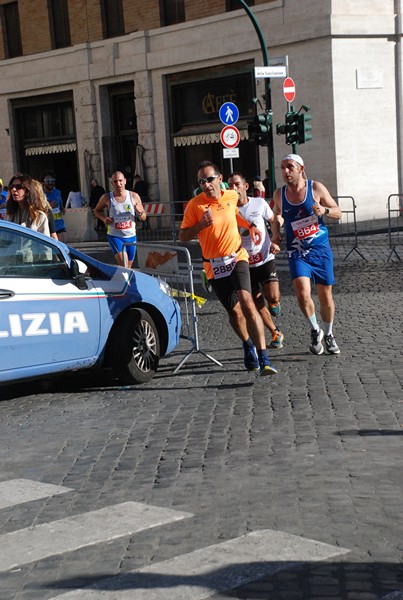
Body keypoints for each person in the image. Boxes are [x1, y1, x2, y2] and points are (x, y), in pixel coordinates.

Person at [179, 160, 277, 376]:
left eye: (210, 179)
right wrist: (199, 226)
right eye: (201, 181)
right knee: (234, 313)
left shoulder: (231, 196)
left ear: (220, 179)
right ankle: (247, 344)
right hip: (214, 266)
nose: (206, 185)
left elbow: (235, 214)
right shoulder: (195, 205)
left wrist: (250, 226)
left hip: (237, 257)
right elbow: (183, 236)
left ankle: (264, 358)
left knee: (247, 301)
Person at [271, 154, 342, 355]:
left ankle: (328, 334)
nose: (286, 172)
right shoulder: (279, 194)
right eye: (283, 168)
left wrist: (325, 211)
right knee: (302, 294)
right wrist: (276, 235)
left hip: (320, 250)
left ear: (301, 168)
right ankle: (315, 330)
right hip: (297, 251)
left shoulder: (315, 188)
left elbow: (338, 211)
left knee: (325, 296)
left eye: (290, 167)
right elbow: (276, 215)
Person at [227, 171, 284, 350]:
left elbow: (274, 219)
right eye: (230, 186)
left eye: (236, 184)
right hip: (244, 263)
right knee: (256, 302)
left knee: (272, 296)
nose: (233, 188)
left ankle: (275, 302)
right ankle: (276, 332)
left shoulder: (259, 203)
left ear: (245, 187)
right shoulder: (228, 209)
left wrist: (275, 238)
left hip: (265, 256)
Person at [94, 170, 147, 268]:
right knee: (124, 264)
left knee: (128, 268)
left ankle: (122, 282)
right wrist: (104, 219)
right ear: (111, 183)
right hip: (115, 236)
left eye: (120, 180)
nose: (118, 184)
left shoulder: (134, 196)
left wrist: (140, 212)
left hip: (131, 236)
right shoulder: (107, 197)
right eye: (115, 181)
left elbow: (144, 217)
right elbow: (96, 210)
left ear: (125, 181)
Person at [41, 170, 66, 242]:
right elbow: (38, 211)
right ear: (43, 182)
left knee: (63, 246)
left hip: (59, 224)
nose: (50, 183)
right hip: (48, 226)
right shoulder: (40, 195)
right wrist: (49, 207)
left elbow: (61, 206)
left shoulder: (58, 192)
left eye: (52, 181)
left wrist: (62, 209)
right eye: (47, 181)